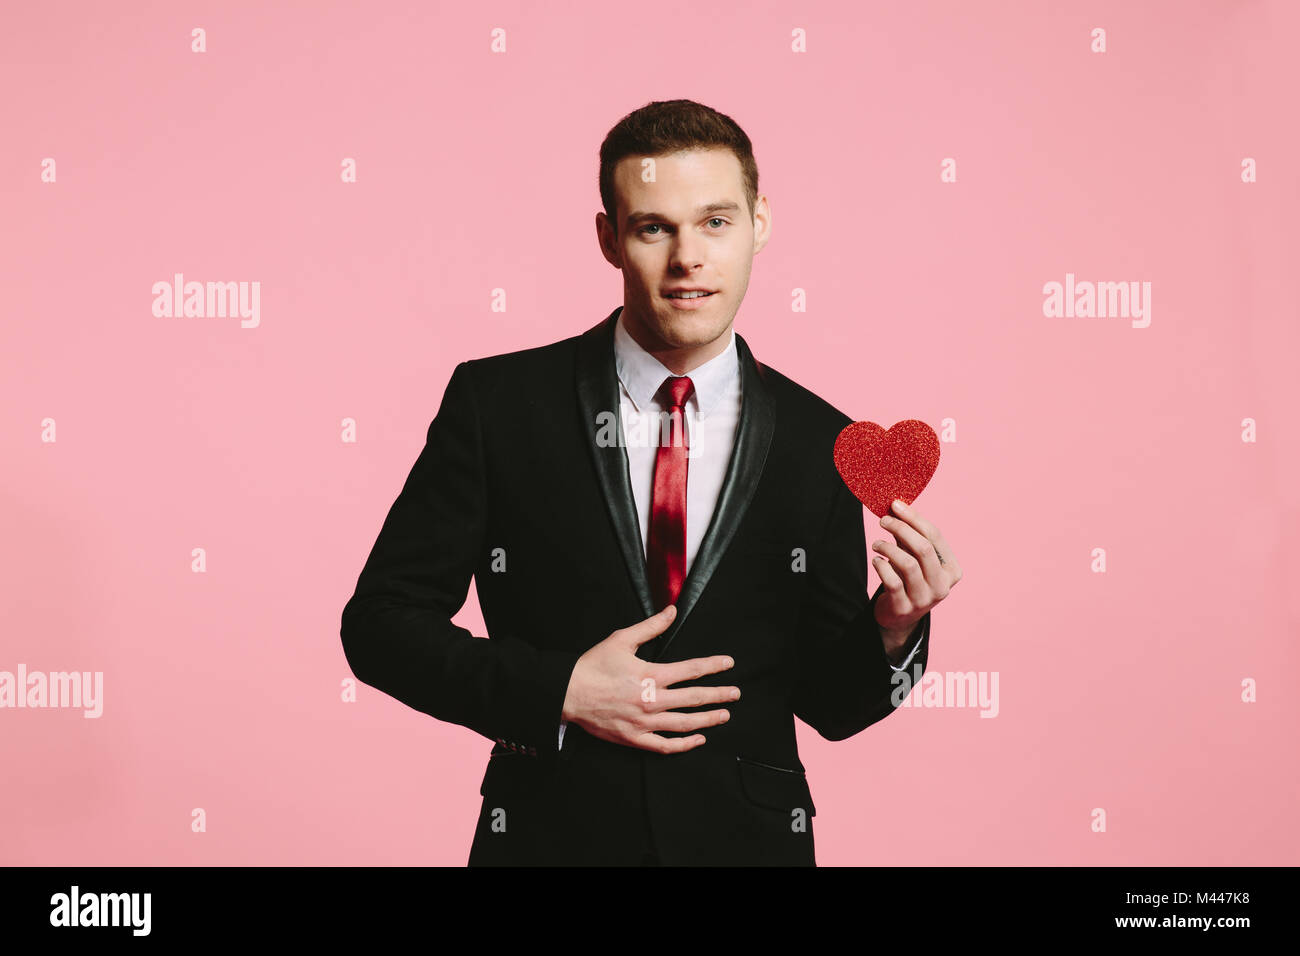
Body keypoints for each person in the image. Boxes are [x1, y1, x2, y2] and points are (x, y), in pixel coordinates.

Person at [340, 99, 962, 866]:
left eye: (715, 222)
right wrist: (558, 691)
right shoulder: (498, 406)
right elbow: (379, 625)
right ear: (609, 238)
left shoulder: (821, 441)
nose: (688, 258)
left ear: (759, 223)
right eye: (653, 227)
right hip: (547, 842)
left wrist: (894, 627)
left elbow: (833, 707)